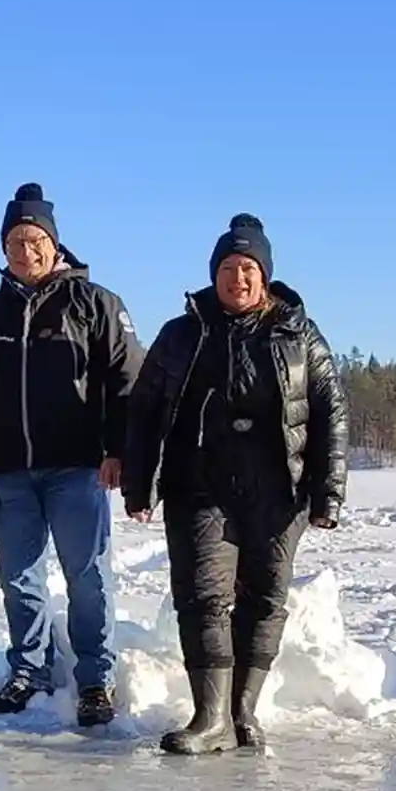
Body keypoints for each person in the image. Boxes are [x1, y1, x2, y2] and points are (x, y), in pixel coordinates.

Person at [122, 214, 347, 756]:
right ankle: (209, 716)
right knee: (203, 597)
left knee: (265, 598)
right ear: (213, 274)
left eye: (248, 268)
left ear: (264, 275)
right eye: (228, 267)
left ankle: (243, 711)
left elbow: (329, 410)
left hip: (279, 492)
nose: (237, 278)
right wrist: (138, 482)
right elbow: (147, 407)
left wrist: (328, 490)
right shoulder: (184, 334)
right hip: (199, 486)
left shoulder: (297, 332)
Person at [0, 182, 143, 728]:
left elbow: (128, 380)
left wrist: (117, 449)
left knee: (86, 576)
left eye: (34, 239)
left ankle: (95, 677)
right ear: (2, 249)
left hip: (78, 466)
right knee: (19, 578)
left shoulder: (95, 304)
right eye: (14, 241)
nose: (24, 250)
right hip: (9, 470)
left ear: (54, 244)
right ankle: (28, 669)